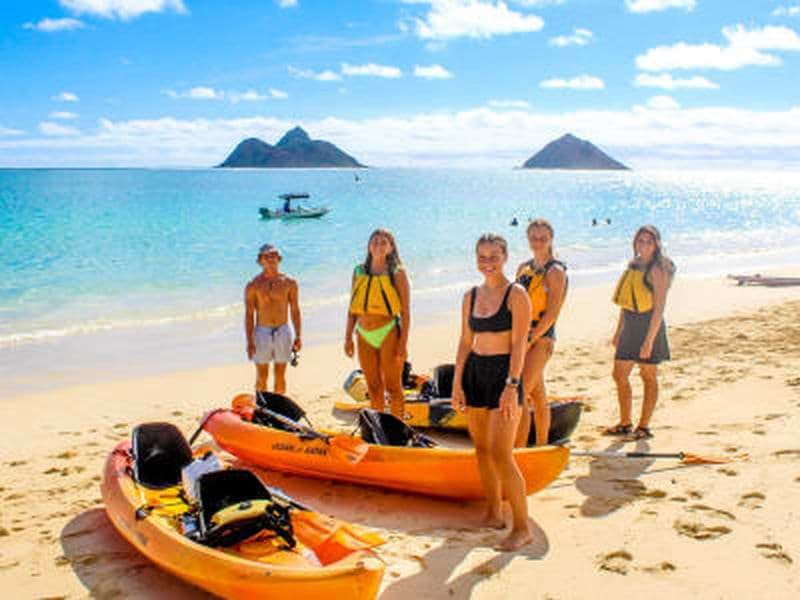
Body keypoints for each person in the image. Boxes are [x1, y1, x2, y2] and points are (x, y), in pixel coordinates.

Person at [452, 233, 533, 551]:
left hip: (505, 376)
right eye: (482, 256)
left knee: (502, 453)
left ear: (505, 257)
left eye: (494, 256)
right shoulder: (470, 296)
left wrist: (512, 386)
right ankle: (493, 513)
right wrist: (457, 381)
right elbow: (464, 341)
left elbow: (519, 344)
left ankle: (522, 528)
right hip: (475, 373)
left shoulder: (517, 294)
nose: (488, 262)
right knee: (482, 449)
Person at [605, 225, 674, 440]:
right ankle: (625, 423)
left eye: (648, 241)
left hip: (649, 326)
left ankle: (643, 427)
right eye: (640, 241)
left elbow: (659, 307)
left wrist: (649, 341)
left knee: (648, 376)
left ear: (656, 245)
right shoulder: (633, 265)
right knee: (619, 375)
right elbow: (626, 302)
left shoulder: (657, 270)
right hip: (630, 325)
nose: (643, 245)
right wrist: (618, 331)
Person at [344, 229, 410, 418]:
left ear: (391, 248)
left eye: (384, 242)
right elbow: (353, 307)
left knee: (393, 387)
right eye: (375, 241)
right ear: (368, 246)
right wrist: (348, 337)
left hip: (388, 332)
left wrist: (402, 345)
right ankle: (379, 429)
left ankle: (397, 432)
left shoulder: (397, 273)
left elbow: (405, 312)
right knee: (373, 387)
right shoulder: (358, 271)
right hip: (363, 334)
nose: (379, 245)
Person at [514, 219, 568, 446]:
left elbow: (552, 313)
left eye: (543, 238)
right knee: (537, 394)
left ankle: (519, 448)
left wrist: (530, 338)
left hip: (542, 338)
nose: (538, 242)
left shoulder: (555, 272)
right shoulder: (523, 267)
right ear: (528, 239)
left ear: (551, 239)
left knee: (520, 394)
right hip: (521, 337)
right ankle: (543, 444)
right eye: (534, 238)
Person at [244, 244, 302, 395]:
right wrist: (249, 341)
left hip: (283, 329)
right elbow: (249, 314)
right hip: (262, 331)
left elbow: (295, 310)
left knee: (280, 374)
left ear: (279, 259)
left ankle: (278, 407)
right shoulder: (253, 285)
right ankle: (263, 408)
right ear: (260, 261)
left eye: (274, 255)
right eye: (266, 256)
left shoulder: (290, 282)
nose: (271, 258)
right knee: (262, 375)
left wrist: (298, 336)